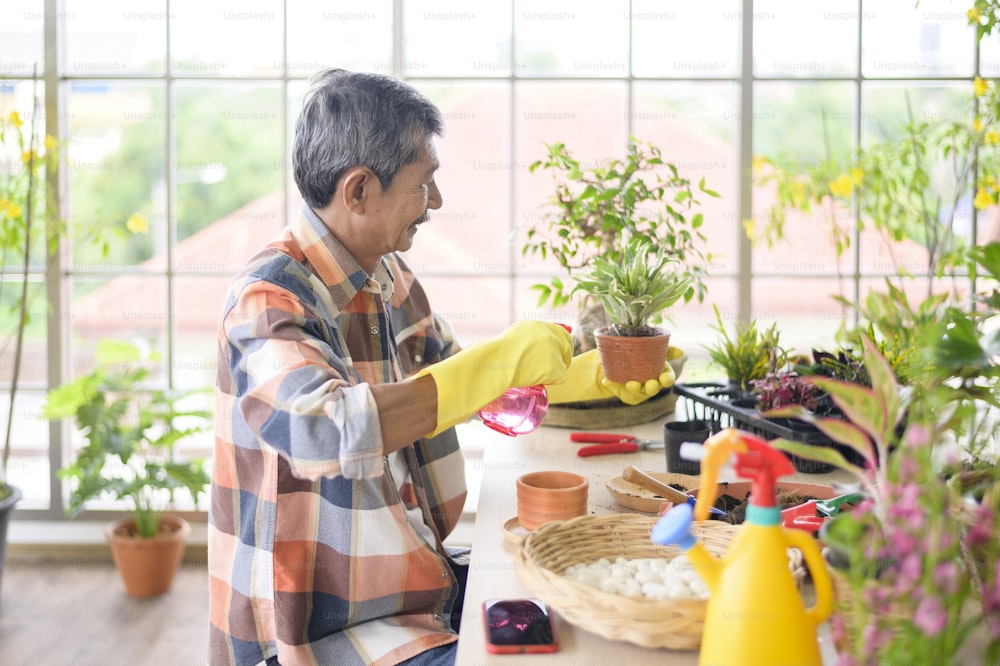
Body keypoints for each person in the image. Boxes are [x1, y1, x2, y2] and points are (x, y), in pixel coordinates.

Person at [208, 68, 674, 666]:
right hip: (324, 638)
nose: (436, 203)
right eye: (424, 184)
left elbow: (461, 387)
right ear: (358, 191)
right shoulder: (268, 301)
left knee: (591, 596)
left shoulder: (389, 277)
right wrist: (494, 363)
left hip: (416, 589)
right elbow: (324, 429)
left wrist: (577, 382)